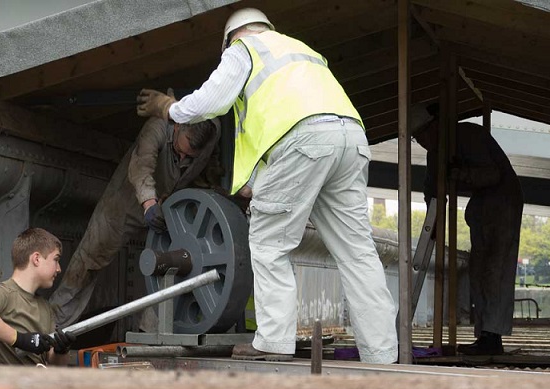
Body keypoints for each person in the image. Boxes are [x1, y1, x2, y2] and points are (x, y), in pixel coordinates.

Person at [136, 8, 398, 363]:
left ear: (231, 38)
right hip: (350, 139)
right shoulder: (304, 52)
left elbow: (210, 102)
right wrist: (256, 183)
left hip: (304, 142)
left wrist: (169, 108)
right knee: (358, 253)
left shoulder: (244, 49)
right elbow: (280, 123)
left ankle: (273, 341)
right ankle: (382, 353)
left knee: (268, 241)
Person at [49, 115, 221, 328]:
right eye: (180, 149)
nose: (183, 156)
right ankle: (53, 326)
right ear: (178, 125)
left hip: (170, 208)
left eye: (190, 156)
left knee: (172, 264)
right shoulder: (157, 126)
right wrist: (149, 202)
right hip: (127, 201)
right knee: (89, 260)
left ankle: (149, 334)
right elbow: (142, 165)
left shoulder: (212, 132)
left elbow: (211, 165)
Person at [412, 104, 524, 355]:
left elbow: (492, 175)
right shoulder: (436, 152)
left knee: (494, 270)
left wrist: (462, 174)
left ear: (436, 126)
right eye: (417, 138)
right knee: (480, 270)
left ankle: (492, 336)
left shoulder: (467, 136)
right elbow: (432, 188)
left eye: (423, 135)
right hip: (484, 205)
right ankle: (486, 334)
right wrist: (434, 221)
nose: (421, 142)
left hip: (502, 202)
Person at [0, 228, 76, 365]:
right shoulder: (4, 293)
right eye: (56, 260)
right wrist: (20, 339)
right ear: (36, 259)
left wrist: (61, 351)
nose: (59, 269)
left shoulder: (45, 307)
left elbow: (54, 365)